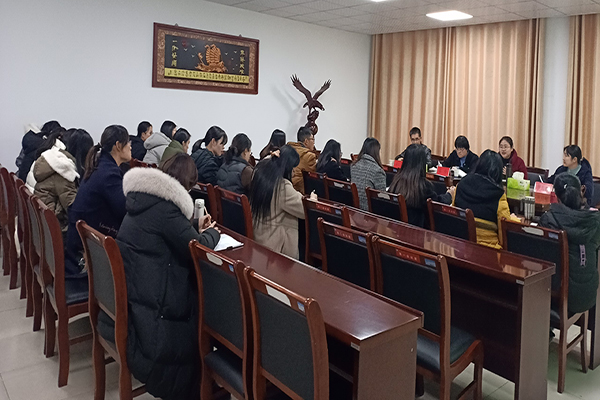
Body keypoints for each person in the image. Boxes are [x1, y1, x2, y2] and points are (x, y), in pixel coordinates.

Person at [116, 153, 220, 400]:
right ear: (185, 186)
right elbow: (197, 247)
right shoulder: (168, 210)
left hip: (137, 296)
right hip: (155, 312)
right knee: (208, 298)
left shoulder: (144, 199)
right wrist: (212, 233)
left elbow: (172, 234)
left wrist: (193, 228)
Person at [65, 125, 131, 278]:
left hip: (79, 244)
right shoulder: (109, 173)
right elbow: (124, 210)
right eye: (128, 142)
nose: (130, 146)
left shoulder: (99, 165)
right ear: (118, 145)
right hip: (85, 257)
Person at [539, 173, 600, 314]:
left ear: (556, 196)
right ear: (581, 191)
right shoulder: (594, 220)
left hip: (558, 296)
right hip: (589, 294)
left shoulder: (549, 220)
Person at [251, 145, 312, 258]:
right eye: (293, 168)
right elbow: (305, 210)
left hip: (259, 238)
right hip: (277, 249)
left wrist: (272, 157)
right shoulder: (282, 187)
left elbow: (262, 164)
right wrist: (312, 199)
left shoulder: (260, 175)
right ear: (287, 167)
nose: (294, 173)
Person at [453, 149, 519, 249]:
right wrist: (515, 220)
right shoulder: (498, 195)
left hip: (460, 246)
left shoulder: (461, 185)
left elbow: (454, 213)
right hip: (488, 250)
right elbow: (504, 233)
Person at [33, 129, 93, 231]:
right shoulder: (64, 170)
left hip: (43, 223)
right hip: (54, 228)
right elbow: (73, 208)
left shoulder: (56, 161)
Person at [389, 144, 454, 227]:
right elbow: (436, 204)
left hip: (397, 228)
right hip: (417, 231)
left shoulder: (396, 181)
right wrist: (449, 195)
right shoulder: (422, 186)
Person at [351, 138, 386, 210]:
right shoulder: (378, 171)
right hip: (369, 211)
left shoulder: (354, 165)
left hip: (355, 209)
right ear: (377, 152)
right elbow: (382, 199)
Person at [287, 126, 317, 193]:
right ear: (306, 141)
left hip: (286, 187)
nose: (314, 142)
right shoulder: (310, 156)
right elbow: (313, 178)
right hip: (300, 191)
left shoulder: (288, 149)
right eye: (313, 139)